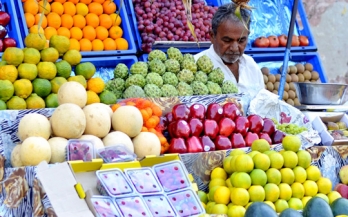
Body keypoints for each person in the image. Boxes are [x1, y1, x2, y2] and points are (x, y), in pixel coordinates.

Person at [194, 2, 264, 97]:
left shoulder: (251, 66)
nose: (234, 48)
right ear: (212, 36)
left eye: (241, 41)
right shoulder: (194, 67)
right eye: (227, 40)